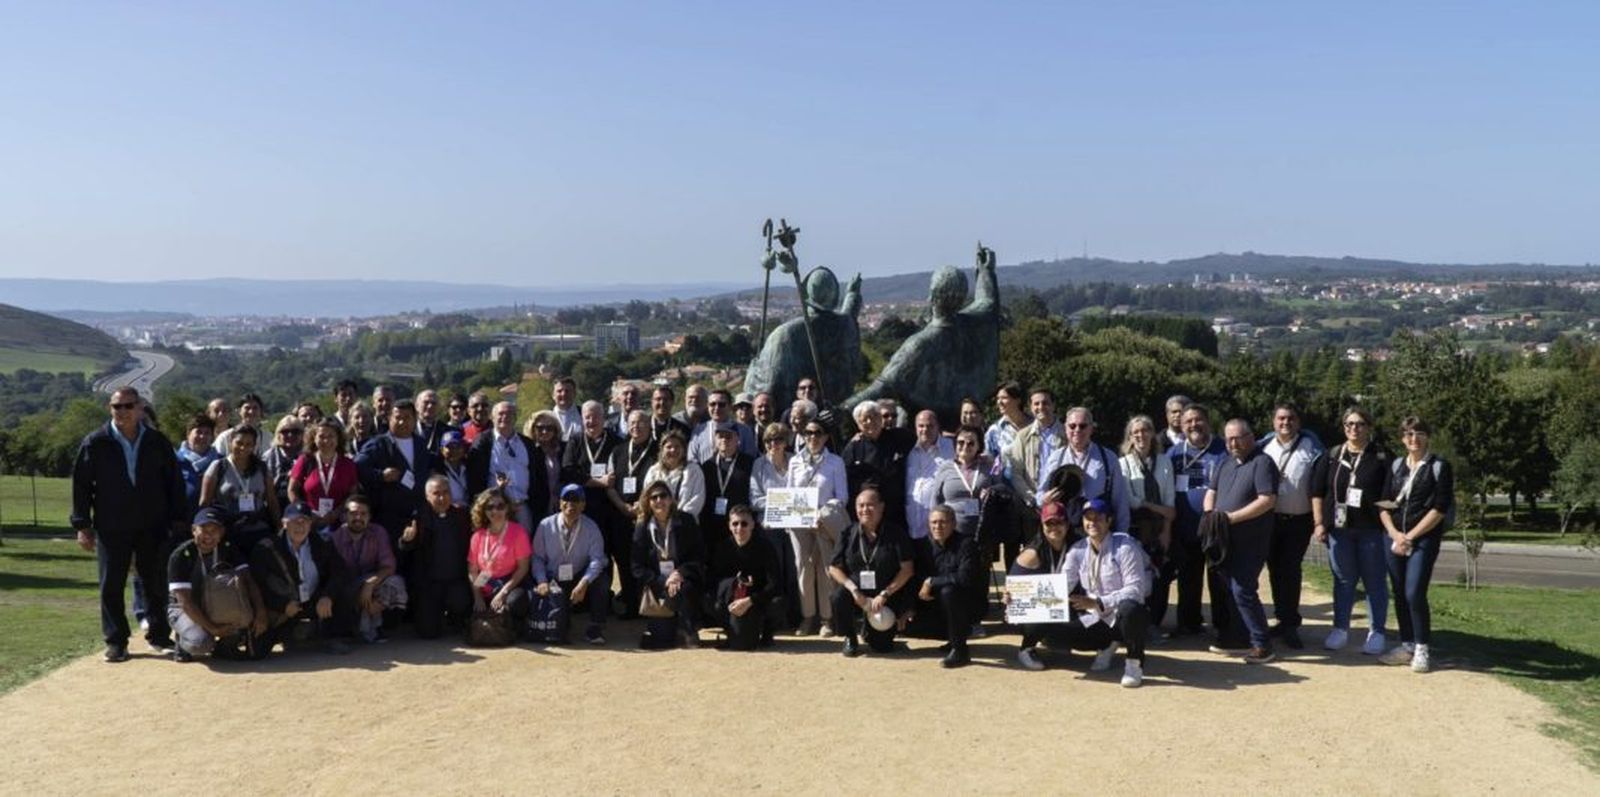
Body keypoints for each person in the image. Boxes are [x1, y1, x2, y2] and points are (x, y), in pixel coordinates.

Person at [72, 386, 186, 661]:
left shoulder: (157, 442)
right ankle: (116, 641)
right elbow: (81, 486)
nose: (121, 411)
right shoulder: (95, 442)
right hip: (112, 525)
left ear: (139, 408)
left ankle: (159, 635)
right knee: (111, 584)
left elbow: (174, 483)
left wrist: (178, 518)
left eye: (127, 406)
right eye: (116, 406)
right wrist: (82, 525)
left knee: (154, 582)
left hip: (152, 523)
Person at [1311, 406, 1392, 655]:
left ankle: (1376, 632)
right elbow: (1316, 492)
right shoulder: (1332, 455)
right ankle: (1340, 629)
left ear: (1369, 427)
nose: (1353, 429)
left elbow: (1390, 494)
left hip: (1371, 530)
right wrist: (1319, 523)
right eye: (1349, 424)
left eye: (1359, 424)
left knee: (1374, 582)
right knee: (1343, 581)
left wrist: (1389, 525)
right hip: (1339, 530)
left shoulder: (1382, 456)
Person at [1378, 417, 1455, 674]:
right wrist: (1394, 534)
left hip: (1423, 539)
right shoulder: (1397, 465)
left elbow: (1439, 509)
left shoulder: (1439, 467)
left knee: (1414, 592)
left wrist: (1409, 536)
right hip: (1394, 537)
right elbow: (1385, 504)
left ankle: (1422, 648)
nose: (1414, 438)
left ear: (1428, 437)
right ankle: (1407, 645)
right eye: (1409, 434)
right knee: (1399, 592)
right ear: (1402, 438)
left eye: (1420, 433)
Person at [1204, 418, 1280, 664]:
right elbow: (1212, 491)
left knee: (1243, 590)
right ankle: (1239, 638)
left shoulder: (1262, 463)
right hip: (1225, 539)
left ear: (1251, 436)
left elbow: (1267, 499)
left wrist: (1231, 518)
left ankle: (1262, 644)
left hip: (1251, 539)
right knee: (1229, 590)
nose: (1233, 443)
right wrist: (1210, 514)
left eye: (1238, 437)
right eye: (1228, 439)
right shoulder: (1226, 463)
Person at [1058, 498, 1153, 687]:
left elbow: (1136, 590)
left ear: (1109, 520)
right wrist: (1024, 599)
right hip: (1096, 617)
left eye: (1098, 517)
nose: (1092, 522)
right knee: (1055, 634)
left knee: (1130, 609)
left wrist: (1099, 602)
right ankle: (1107, 644)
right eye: (1088, 518)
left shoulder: (1125, 546)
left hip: (1123, 614)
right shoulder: (1077, 550)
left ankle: (1134, 663)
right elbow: (1061, 587)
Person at [249, 502, 354, 655]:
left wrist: (327, 596)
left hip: (314, 600)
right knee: (258, 651)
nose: (300, 526)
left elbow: (339, 571)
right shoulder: (266, 549)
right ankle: (289, 634)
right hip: (284, 605)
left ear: (311, 524)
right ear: (284, 523)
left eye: (304, 521)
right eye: (294, 521)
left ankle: (335, 637)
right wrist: (282, 605)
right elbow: (258, 585)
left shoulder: (322, 542)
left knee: (344, 591)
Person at [167, 506, 269, 662]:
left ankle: (225, 646)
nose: (209, 535)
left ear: (221, 533)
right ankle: (183, 640)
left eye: (214, 530)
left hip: (216, 602)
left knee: (244, 615)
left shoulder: (228, 549)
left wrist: (260, 612)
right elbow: (184, 601)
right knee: (200, 644)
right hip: (184, 607)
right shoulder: (181, 555)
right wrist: (212, 628)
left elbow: (248, 581)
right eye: (203, 529)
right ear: (194, 530)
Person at [1260, 403, 1324, 650]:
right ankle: (1281, 617)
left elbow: (1319, 484)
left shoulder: (1312, 448)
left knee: (1291, 569)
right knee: (1274, 569)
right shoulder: (1263, 446)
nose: (1285, 423)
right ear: (1273, 422)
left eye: (1290, 418)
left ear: (1298, 422)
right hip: (1269, 519)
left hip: (1299, 520)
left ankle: (1290, 625)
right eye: (1280, 418)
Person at [1166, 403, 1229, 638]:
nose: (1194, 425)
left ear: (1208, 421)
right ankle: (1188, 623)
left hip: (1216, 528)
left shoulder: (1223, 450)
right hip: (1185, 527)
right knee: (1188, 579)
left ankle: (1224, 625)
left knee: (1219, 580)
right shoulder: (1173, 454)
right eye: (1188, 421)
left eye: (1198, 420)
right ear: (1181, 425)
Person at [828, 487, 916, 657]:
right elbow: (834, 567)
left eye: (870, 505)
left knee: (882, 647)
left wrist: (885, 594)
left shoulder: (896, 533)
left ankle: (870, 629)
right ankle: (850, 637)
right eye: (861, 505)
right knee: (838, 597)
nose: (865, 509)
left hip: (887, 592)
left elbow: (907, 569)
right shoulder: (847, 533)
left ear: (881, 507)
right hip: (857, 590)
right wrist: (854, 590)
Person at [932, 423, 1000, 630]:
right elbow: (936, 500)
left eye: (971, 442)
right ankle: (959, 619)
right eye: (961, 442)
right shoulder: (945, 468)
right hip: (954, 533)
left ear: (979, 445)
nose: (965, 446)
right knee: (959, 576)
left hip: (980, 531)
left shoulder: (987, 466)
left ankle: (977, 619)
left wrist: (992, 490)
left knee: (979, 577)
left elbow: (1001, 487)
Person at [787, 419, 850, 636]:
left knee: (825, 570)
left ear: (825, 437)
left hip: (823, 521)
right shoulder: (794, 461)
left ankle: (827, 619)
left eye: (817, 433)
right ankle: (807, 618)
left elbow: (841, 497)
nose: (812, 437)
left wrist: (821, 514)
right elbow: (789, 494)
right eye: (808, 433)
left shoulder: (836, 462)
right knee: (803, 568)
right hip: (799, 522)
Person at [532, 484, 612, 644]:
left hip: (578, 577)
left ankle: (595, 628)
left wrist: (584, 583)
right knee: (561, 630)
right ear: (560, 502)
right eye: (566, 499)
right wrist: (541, 581)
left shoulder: (591, 527)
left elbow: (597, 559)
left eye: (576, 500)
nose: (571, 504)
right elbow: (537, 558)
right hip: (553, 579)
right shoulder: (545, 525)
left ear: (583, 505)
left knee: (602, 580)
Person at [632, 480, 708, 648]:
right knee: (663, 640)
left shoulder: (686, 521)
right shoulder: (642, 526)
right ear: (648, 502)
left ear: (671, 499)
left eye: (663, 496)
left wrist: (679, 573)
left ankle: (688, 629)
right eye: (654, 497)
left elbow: (699, 555)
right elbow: (637, 567)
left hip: (683, 581)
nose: (659, 500)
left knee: (686, 588)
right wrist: (662, 581)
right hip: (657, 584)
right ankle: (666, 631)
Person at [1119, 414, 1177, 626]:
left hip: (1161, 526)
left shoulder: (1164, 462)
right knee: (1138, 575)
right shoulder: (1123, 464)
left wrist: (1167, 530)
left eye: (1145, 430)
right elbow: (1132, 500)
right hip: (1137, 527)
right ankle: (1137, 623)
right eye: (1135, 432)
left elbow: (1170, 498)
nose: (1140, 435)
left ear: (1152, 434)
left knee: (1160, 575)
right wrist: (1156, 507)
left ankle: (1155, 623)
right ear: (1130, 437)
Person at [1037, 407, 1132, 535]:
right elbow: (1039, 494)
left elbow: (1120, 501)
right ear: (1065, 428)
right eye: (1072, 426)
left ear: (1091, 428)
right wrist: (1045, 499)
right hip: (1066, 530)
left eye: (1082, 426)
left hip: (1099, 529)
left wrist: (1121, 534)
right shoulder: (1055, 458)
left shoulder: (1108, 458)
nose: (1077, 430)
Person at [356, 399, 433, 555]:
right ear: (389, 418)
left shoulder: (421, 444)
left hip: (417, 515)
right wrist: (380, 476)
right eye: (397, 417)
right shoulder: (378, 444)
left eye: (407, 417)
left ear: (415, 419)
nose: (402, 422)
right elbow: (357, 467)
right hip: (388, 518)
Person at [401, 476, 474, 639]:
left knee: (461, 603)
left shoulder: (462, 516)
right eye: (436, 494)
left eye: (446, 492)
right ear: (427, 497)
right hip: (429, 584)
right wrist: (406, 541)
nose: (442, 498)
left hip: (456, 581)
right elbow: (405, 549)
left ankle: (455, 618)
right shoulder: (418, 519)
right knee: (428, 633)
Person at [331, 494, 407, 643]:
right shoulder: (335, 538)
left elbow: (389, 565)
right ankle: (367, 628)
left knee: (395, 582)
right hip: (347, 590)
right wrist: (360, 590)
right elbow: (335, 576)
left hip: (373, 586)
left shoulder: (378, 532)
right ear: (344, 516)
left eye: (363, 514)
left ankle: (372, 625)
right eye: (353, 513)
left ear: (369, 516)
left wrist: (370, 583)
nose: (358, 517)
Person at [706, 505, 783, 650]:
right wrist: (733, 586)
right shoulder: (723, 548)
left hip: (756, 600)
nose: (739, 528)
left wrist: (750, 600)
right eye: (735, 523)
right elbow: (713, 579)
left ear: (753, 525)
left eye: (744, 523)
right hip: (731, 600)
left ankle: (767, 634)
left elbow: (775, 584)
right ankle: (730, 631)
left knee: (778, 602)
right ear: (729, 526)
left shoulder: (765, 547)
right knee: (708, 600)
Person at [1009, 501, 1074, 671]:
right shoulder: (1031, 554)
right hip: (1038, 610)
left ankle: (1056, 639)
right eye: (1049, 523)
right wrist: (1009, 596)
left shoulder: (1078, 546)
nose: (1054, 527)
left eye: (1059, 522)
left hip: (1069, 602)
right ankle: (1027, 648)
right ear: (1042, 525)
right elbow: (1014, 588)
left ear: (1067, 523)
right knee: (1046, 605)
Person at [200, 424, 280, 555]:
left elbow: (272, 501)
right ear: (231, 441)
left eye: (249, 444)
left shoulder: (262, 468)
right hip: (228, 531)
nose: (243, 448)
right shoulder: (218, 467)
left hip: (258, 530)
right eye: (239, 443)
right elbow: (205, 503)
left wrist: (278, 526)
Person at [912, 505, 976, 667]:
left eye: (943, 522)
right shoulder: (923, 546)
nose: (937, 526)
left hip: (964, 604)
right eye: (933, 522)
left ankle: (960, 650)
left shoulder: (966, 544)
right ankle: (951, 638)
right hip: (932, 602)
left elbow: (964, 577)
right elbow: (916, 577)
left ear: (953, 524)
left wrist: (931, 581)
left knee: (949, 592)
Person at [466, 401, 540, 531]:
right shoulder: (483, 442)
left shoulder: (527, 443)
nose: (504, 417)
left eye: (509, 414)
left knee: (524, 548)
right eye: (500, 414)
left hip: (522, 507)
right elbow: (474, 478)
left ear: (515, 417)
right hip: (495, 509)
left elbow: (536, 475)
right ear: (492, 418)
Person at [841, 399, 915, 527]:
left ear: (880, 419)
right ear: (858, 425)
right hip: (868, 512)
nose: (870, 422)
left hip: (896, 510)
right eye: (865, 419)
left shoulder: (899, 437)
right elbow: (845, 478)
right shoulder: (853, 447)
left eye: (874, 416)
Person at [1004, 388, 1062, 551]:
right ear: (1031, 407)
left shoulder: (1066, 433)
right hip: (1032, 507)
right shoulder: (1022, 436)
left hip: (1059, 505)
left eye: (1045, 403)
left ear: (1053, 405)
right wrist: (1034, 498)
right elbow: (1015, 472)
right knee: (1035, 552)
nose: (1041, 407)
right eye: (1036, 403)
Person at [467, 488, 533, 625]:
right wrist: (477, 596)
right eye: (490, 507)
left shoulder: (518, 532)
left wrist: (503, 593)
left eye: (500, 506)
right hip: (484, 582)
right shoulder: (477, 535)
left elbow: (523, 568)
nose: (495, 511)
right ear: (483, 511)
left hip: (510, 584)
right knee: (463, 602)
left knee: (514, 602)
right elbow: (472, 570)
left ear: (507, 508)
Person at [288, 419, 359, 533]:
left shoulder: (348, 464)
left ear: (338, 439)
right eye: (321, 436)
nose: (326, 440)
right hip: (309, 523)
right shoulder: (305, 461)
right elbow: (292, 490)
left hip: (340, 524)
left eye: (331, 436)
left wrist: (336, 513)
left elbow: (353, 494)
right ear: (314, 438)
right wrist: (306, 512)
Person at [699, 421, 754, 551]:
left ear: (738, 440)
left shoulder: (748, 463)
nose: (724, 440)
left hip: (739, 524)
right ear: (715, 440)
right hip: (712, 524)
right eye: (720, 436)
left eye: (729, 437)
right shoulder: (707, 466)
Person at [905, 410, 955, 540]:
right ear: (915, 428)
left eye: (930, 426)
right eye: (921, 426)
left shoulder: (952, 447)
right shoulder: (907, 450)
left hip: (941, 529)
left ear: (938, 427)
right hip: (912, 527)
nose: (925, 429)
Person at [643, 430, 704, 516]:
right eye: (669, 447)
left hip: (685, 523)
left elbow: (697, 499)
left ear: (684, 450)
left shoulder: (694, 470)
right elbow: (647, 497)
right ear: (662, 450)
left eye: (677, 446)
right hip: (658, 523)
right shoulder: (653, 471)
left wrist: (677, 519)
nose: (673, 450)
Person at [261, 415, 306, 510]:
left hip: (303, 504)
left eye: (295, 432)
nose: (290, 435)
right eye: (285, 431)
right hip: (272, 505)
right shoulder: (266, 458)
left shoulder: (309, 457)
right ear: (278, 434)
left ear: (303, 435)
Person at [529, 410, 567, 518]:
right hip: (538, 505)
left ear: (555, 430)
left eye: (549, 428)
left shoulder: (565, 448)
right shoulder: (529, 450)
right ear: (533, 429)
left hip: (563, 502)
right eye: (540, 428)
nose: (544, 431)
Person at [213, 393, 270, 457]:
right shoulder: (225, 437)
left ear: (261, 411)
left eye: (255, 408)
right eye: (247, 408)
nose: (251, 411)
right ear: (239, 411)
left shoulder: (269, 438)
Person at [433, 430, 472, 508]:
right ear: (441, 450)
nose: (454, 450)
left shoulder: (471, 468)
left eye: (458, 446)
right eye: (449, 447)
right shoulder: (437, 471)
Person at [415, 389, 457, 454]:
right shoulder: (407, 428)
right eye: (426, 402)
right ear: (417, 405)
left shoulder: (448, 431)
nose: (430, 406)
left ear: (439, 407)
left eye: (433, 403)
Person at [552, 376, 582, 442]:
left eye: (567, 391)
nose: (563, 394)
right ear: (553, 395)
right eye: (559, 391)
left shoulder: (584, 414)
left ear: (574, 394)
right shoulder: (547, 417)